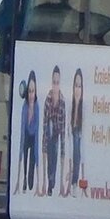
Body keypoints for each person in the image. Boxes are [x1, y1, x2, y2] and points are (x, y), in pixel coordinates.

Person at [40, 65, 65, 196]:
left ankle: (52, 181)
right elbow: (44, 125)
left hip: (56, 135)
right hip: (49, 134)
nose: (55, 85)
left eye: (58, 83)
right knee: (50, 153)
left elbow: (63, 129)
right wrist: (44, 146)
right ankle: (49, 182)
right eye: (54, 82)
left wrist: (63, 151)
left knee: (54, 155)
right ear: (52, 82)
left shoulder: (62, 101)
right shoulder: (47, 100)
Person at [14, 70, 39, 195]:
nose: (31, 95)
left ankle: (30, 181)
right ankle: (23, 180)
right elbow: (22, 133)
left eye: (33, 91)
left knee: (32, 160)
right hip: (26, 136)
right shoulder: (24, 107)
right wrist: (19, 154)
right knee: (25, 155)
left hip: (33, 136)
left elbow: (38, 132)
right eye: (29, 91)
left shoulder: (37, 107)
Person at [64, 68, 84, 197]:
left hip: (78, 139)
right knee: (73, 148)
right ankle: (69, 182)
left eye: (80, 86)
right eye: (76, 86)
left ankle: (74, 183)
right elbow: (67, 128)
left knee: (77, 150)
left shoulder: (84, 107)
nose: (77, 89)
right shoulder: (69, 105)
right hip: (70, 137)